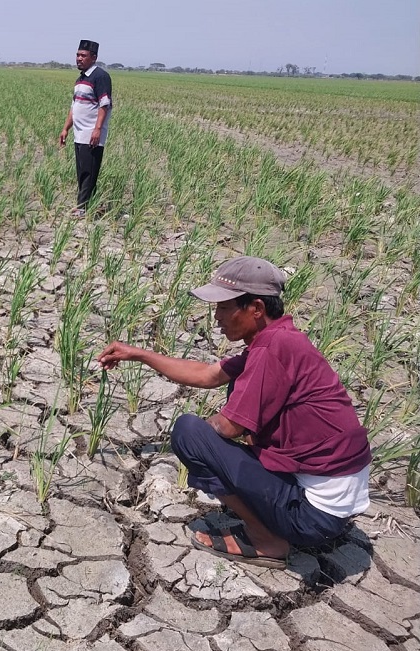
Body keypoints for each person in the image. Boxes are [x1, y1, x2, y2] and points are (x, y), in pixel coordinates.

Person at [98, 256, 370, 569]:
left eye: (225, 308)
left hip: (312, 517)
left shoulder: (272, 349)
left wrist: (211, 449)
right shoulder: (281, 338)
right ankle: (267, 512)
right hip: (329, 504)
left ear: (256, 309)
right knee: (224, 405)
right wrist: (138, 354)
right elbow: (207, 375)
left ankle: (266, 539)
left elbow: (228, 427)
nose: (217, 318)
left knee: (189, 433)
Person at [59, 39, 112, 217]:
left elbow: (104, 105)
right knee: (82, 170)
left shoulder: (100, 76)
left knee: (89, 171)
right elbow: (74, 107)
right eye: (78, 55)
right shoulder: (80, 79)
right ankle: (88, 205)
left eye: (83, 55)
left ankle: (82, 208)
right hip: (79, 133)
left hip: (91, 133)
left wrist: (97, 129)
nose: (79, 58)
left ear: (94, 57)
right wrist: (66, 128)